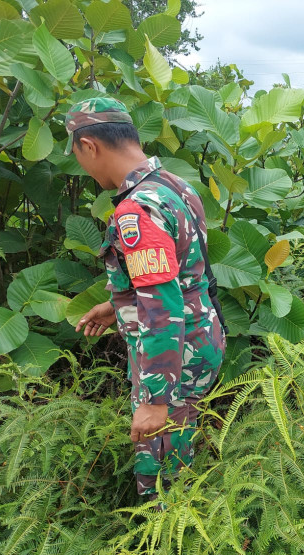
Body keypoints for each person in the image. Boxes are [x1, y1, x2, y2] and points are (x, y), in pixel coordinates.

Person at [70, 97, 226, 499]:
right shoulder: (175, 186)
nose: (83, 169)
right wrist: (115, 305)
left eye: (79, 157)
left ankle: (166, 550)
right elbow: (179, 271)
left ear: (90, 146)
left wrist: (156, 399)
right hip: (200, 335)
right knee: (183, 444)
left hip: (172, 355)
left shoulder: (136, 209)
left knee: (160, 473)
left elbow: (162, 308)